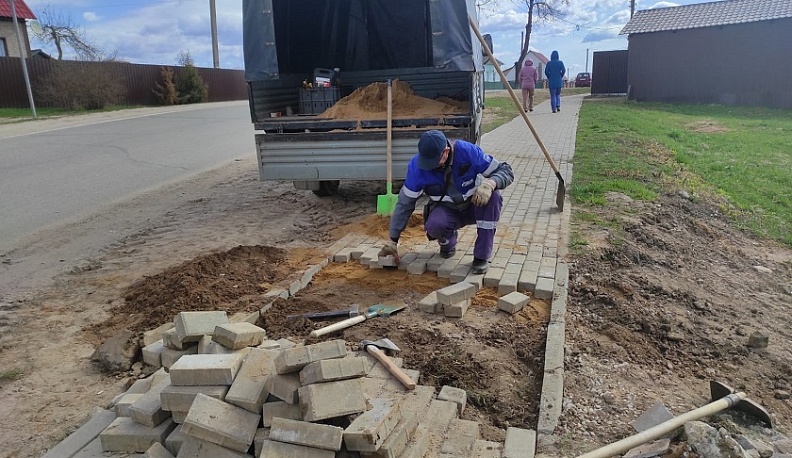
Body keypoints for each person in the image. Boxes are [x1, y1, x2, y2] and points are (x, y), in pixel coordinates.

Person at [377, 130, 514, 275]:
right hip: (447, 210)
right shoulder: (417, 167)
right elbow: (404, 204)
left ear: (446, 152)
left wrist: (490, 184)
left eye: (433, 162)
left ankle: (481, 257)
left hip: (475, 205)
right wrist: (393, 239)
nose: (429, 167)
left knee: (494, 198)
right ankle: (448, 243)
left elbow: (506, 170)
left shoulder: (467, 152)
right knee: (435, 225)